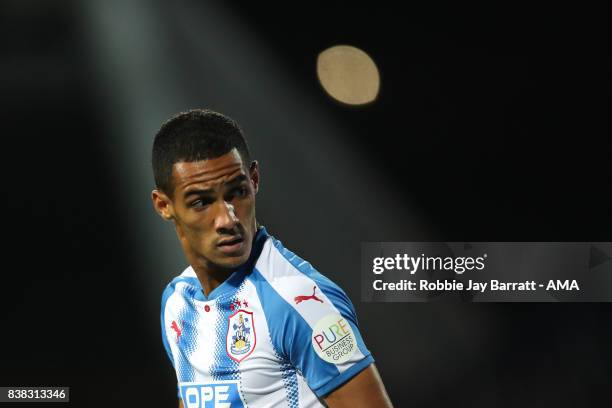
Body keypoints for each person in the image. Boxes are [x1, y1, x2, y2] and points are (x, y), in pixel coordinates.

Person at [151, 109, 393, 407]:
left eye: (236, 192)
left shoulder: (299, 300)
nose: (227, 219)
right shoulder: (177, 303)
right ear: (163, 205)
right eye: (201, 202)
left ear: (254, 180)